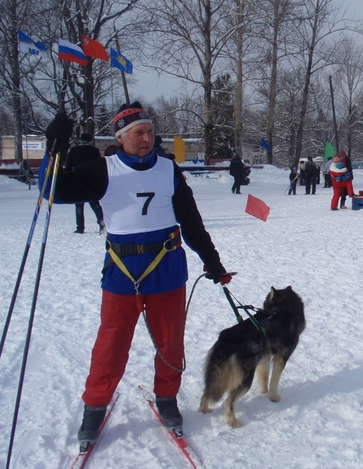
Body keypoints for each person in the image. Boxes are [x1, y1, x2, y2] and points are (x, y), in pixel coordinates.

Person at [41, 102, 231, 448]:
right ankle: (94, 407)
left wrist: (213, 262)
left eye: (149, 131)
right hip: (122, 273)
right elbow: (52, 191)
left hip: (167, 270)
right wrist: (53, 148)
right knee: (111, 344)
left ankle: (167, 399)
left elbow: (191, 222)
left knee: (170, 343)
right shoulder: (103, 169)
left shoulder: (168, 170)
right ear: (121, 137)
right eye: (138, 133)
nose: (146, 138)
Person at [65, 133, 106, 234]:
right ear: (90, 140)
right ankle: (101, 222)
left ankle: (80, 228)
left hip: (77, 179)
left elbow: (68, 167)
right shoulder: (94, 151)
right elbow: (99, 166)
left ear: (80, 140)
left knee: (79, 205)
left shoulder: (74, 151)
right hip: (91, 180)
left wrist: (68, 178)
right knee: (95, 203)